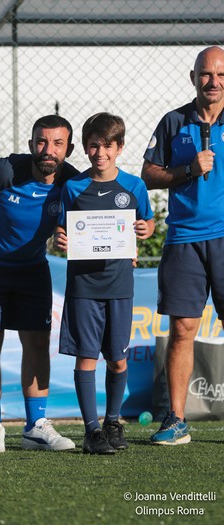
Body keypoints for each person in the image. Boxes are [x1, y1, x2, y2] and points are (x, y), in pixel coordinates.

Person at [0, 115, 78, 453]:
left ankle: (35, 426)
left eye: (57, 143)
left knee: (38, 343)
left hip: (31, 267)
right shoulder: (4, 171)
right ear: (30, 145)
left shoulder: (72, 183)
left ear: (68, 149)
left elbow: (80, 222)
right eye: (41, 141)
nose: (48, 150)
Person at [54, 112, 154, 454]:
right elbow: (61, 229)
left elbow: (148, 223)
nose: (101, 153)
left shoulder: (134, 186)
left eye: (108, 146)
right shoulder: (73, 187)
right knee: (86, 358)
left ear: (120, 147)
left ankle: (113, 422)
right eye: (94, 145)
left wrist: (144, 231)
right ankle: (91, 431)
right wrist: (61, 238)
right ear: (84, 147)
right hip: (83, 287)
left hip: (120, 285)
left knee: (118, 359)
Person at [141, 46, 224, 445]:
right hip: (184, 240)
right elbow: (148, 173)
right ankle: (175, 419)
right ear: (193, 78)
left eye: (220, 74)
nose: (214, 82)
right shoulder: (174, 121)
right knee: (182, 329)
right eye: (206, 74)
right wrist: (189, 170)